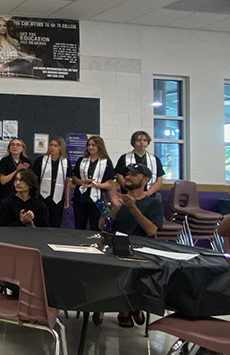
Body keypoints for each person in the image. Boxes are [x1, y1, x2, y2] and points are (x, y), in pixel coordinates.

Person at [105, 163, 163, 328]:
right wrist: (112, 210)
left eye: (134, 175)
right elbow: (103, 226)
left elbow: (151, 230)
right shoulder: (120, 201)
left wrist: (132, 207)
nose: (128, 177)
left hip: (140, 251)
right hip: (116, 248)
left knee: (133, 271)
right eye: (127, 174)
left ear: (145, 180)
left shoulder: (153, 204)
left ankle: (131, 306)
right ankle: (129, 306)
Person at [72, 136, 114, 231]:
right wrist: (82, 182)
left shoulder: (106, 162)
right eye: (89, 145)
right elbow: (74, 179)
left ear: (99, 146)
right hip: (81, 197)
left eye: (93, 145)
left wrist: (96, 185)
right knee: (79, 225)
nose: (90, 147)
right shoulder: (81, 161)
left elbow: (109, 183)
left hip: (98, 199)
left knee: (96, 226)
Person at [32, 136, 71, 228]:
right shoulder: (41, 160)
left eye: (56, 146)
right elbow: (34, 179)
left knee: (55, 223)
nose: (52, 148)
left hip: (58, 197)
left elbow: (67, 182)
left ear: (61, 148)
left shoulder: (65, 162)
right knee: (41, 221)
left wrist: (67, 198)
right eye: (51, 145)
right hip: (42, 195)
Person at [115, 131, 165, 196]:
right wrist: (130, 190)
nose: (142, 143)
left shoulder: (155, 159)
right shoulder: (124, 158)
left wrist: (149, 192)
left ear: (147, 143)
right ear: (133, 142)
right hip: (129, 194)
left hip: (148, 195)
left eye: (144, 140)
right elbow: (119, 177)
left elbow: (159, 180)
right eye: (138, 140)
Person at [0, 138, 31, 204]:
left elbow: (30, 180)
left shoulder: (26, 161)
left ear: (22, 148)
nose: (15, 147)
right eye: (12, 145)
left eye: (18, 145)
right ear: (9, 148)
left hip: (23, 195)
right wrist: (17, 170)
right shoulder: (4, 161)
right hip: (7, 194)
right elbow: (3, 181)